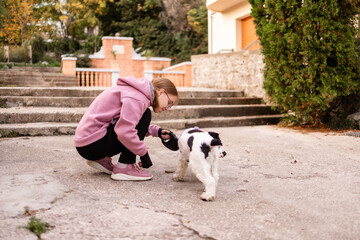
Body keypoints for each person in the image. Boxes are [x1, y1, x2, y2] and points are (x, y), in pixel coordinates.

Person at [74, 76, 179, 181]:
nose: (167, 108)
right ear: (161, 92)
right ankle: (125, 165)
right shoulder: (138, 98)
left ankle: (100, 159)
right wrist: (143, 153)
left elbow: (127, 123)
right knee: (146, 114)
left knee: (143, 115)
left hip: (86, 144)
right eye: (169, 102)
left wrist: (157, 131)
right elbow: (125, 131)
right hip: (93, 143)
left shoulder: (134, 93)